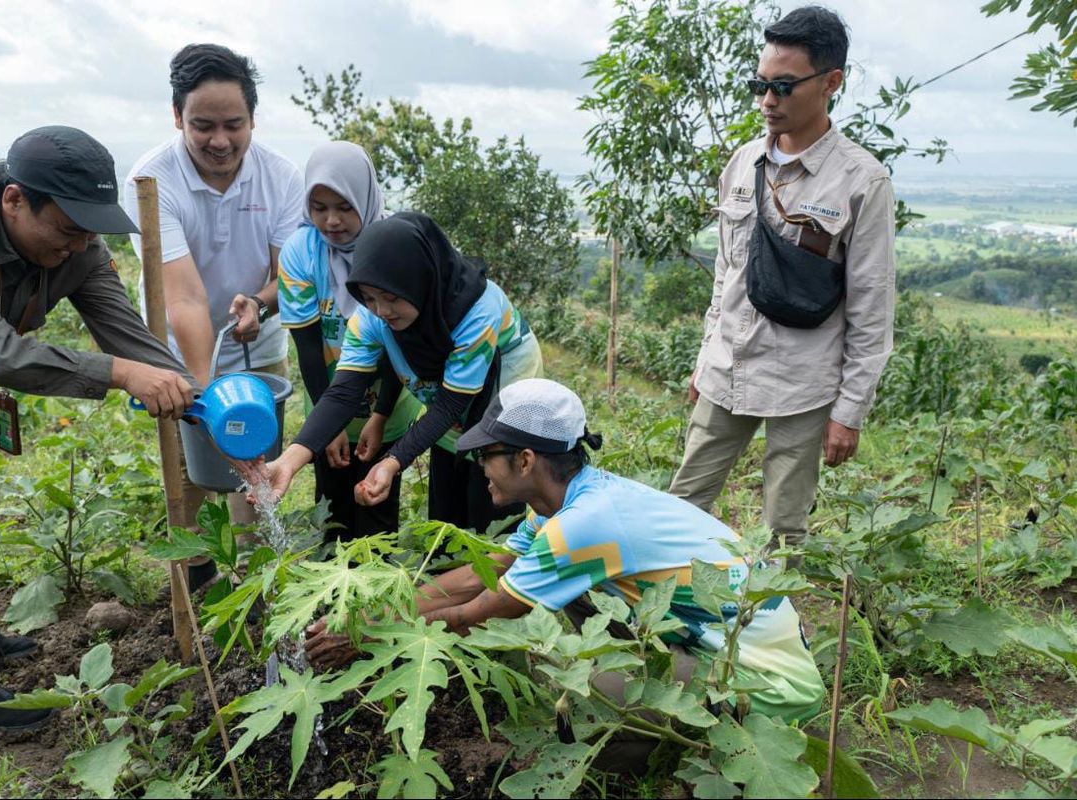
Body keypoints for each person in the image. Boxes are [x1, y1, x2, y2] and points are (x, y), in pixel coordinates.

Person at [304, 378, 826, 773]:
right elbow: (480, 576)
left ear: (526, 459)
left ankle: (687, 750)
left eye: (488, 455)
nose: (480, 467)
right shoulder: (560, 505)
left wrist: (365, 634)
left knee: (573, 711)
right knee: (558, 619)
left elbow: (482, 610)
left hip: (768, 684)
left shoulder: (582, 525)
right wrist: (369, 612)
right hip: (719, 642)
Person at [0, 125, 195, 732]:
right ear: (15, 200)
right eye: (69, 230)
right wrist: (119, 375)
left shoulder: (76, 246)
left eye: (90, 233)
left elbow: (124, 333)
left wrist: (199, 402)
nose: (79, 247)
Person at [671, 6, 896, 554]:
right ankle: (666, 620)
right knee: (680, 507)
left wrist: (849, 412)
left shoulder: (862, 180)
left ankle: (771, 635)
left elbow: (871, 304)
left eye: (783, 86)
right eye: (760, 85)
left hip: (803, 382)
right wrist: (705, 359)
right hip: (728, 367)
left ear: (830, 83)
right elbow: (727, 273)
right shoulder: (744, 160)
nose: (768, 100)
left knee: (783, 530)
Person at [124, 43, 303, 583]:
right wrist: (205, 399)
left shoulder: (280, 178)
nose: (219, 141)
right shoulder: (152, 182)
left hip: (257, 347)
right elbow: (184, 299)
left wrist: (260, 303)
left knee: (255, 465)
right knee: (192, 474)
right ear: (177, 116)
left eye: (234, 124)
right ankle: (198, 576)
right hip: (180, 352)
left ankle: (255, 575)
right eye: (202, 125)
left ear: (253, 118)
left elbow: (285, 277)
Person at [253, 211, 543, 533]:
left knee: (492, 501)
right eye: (369, 298)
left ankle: (499, 575)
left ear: (422, 282)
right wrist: (291, 461)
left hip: (503, 395)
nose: (381, 311)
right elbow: (343, 392)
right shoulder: (372, 317)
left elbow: (450, 404)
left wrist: (392, 462)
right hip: (449, 405)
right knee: (446, 515)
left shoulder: (477, 312)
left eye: (391, 298)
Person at [278, 142, 420, 540]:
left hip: (388, 402)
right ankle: (333, 600)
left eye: (344, 206)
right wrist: (330, 425)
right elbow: (307, 347)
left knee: (377, 510)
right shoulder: (300, 253)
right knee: (333, 515)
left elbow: (400, 346)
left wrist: (380, 415)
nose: (331, 220)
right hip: (328, 402)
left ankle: (375, 600)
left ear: (365, 196)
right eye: (319, 208)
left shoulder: (391, 245)